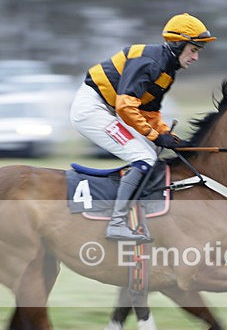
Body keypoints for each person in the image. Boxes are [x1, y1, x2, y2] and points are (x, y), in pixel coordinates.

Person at [70, 13, 216, 242]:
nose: (196, 57)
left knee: (149, 155)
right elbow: (125, 106)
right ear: (178, 44)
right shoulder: (151, 62)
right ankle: (117, 223)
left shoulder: (167, 71)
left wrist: (170, 137)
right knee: (144, 157)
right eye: (193, 49)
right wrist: (155, 136)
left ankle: (138, 213)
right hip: (92, 110)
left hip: (108, 109)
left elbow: (149, 112)